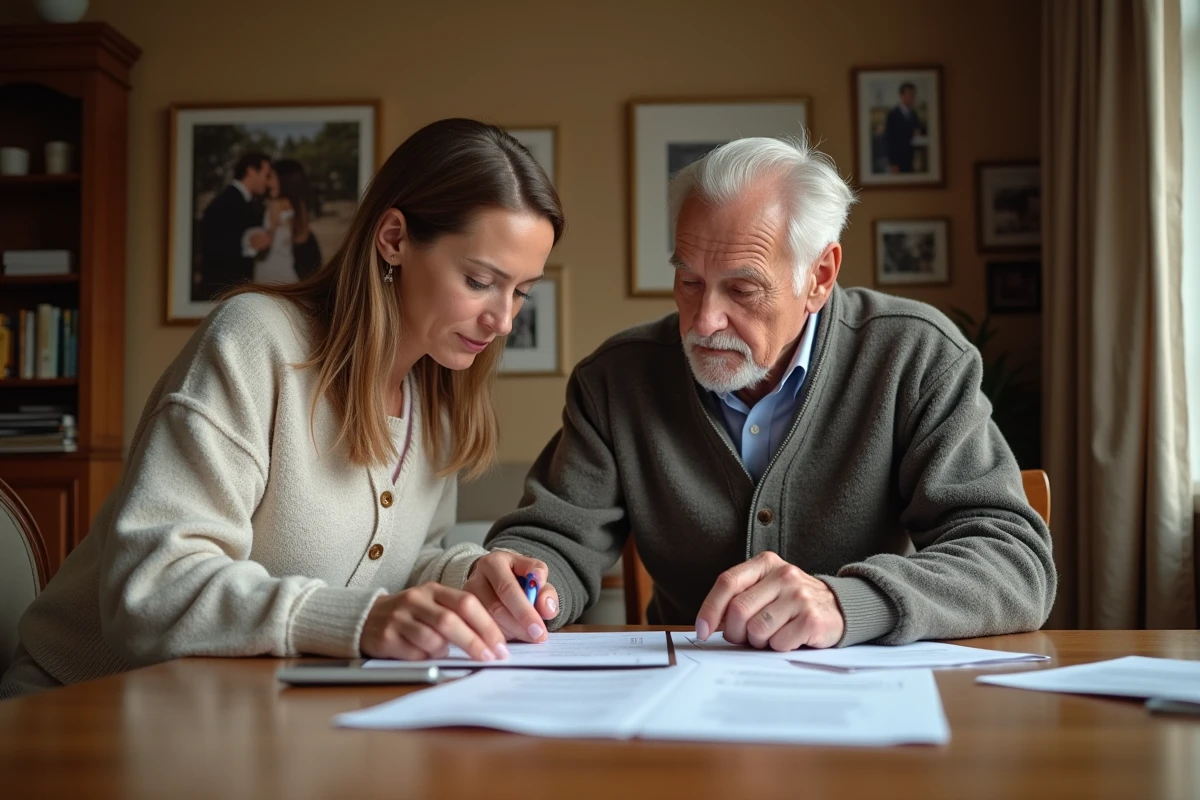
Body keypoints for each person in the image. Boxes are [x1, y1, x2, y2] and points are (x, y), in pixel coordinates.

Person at [0, 119, 564, 698]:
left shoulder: (438, 402)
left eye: (520, 291)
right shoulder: (256, 342)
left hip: (241, 718)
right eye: (479, 280)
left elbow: (410, 556)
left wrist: (467, 577)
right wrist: (361, 620)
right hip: (86, 710)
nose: (504, 321)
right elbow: (152, 587)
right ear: (393, 238)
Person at [463, 135, 1055, 652]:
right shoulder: (617, 379)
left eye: (742, 290)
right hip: (679, 711)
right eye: (689, 281)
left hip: (867, 705)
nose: (702, 321)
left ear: (819, 276)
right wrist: (526, 584)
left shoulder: (916, 356)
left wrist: (845, 601)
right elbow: (554, 541)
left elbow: (1012, 562)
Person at [195, 152, 273, 300]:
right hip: (221, 293)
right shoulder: (225, 202)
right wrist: (249, 244)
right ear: (251, 171)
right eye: (266, 175)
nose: (268, 182)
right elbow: (215, 247)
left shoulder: (248, 202)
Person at [253, 159, 321, 285]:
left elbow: (267, 240)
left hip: (269, 271)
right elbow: (301, 239)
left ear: (284, 180)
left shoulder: (275, 204)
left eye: (271, 177)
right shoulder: (300, 206)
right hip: (287, 272)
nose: (268, 183)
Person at [883, 82, 925, 173]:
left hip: (912, 157)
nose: (911, 98)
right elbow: (889, 139)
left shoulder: (913, 114)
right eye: (909, 94)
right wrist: (893, 163)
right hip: (898, 159)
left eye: (913, 95)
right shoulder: (893, 114)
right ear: (902, 95)